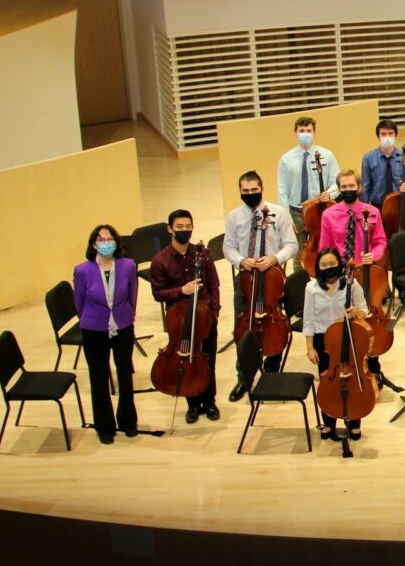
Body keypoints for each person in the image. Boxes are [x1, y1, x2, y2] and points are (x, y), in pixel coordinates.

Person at [224, 170, 298, 402]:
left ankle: (272, 370)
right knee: (244, 328)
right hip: (246, 277)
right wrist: (242, 261)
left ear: (262, 188)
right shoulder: (234, 217)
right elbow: (228, 247)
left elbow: (292, 245)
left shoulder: (279, 213)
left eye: (254, 190)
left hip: (272, 277)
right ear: (240, 191)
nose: (250, 194)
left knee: (273, 323)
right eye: (245, 191)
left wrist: (274, 259)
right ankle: (244, 377)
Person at [318, 169, 392, 389]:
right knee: (343, 321)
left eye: (352, 186)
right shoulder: (329, 215)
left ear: (359, 187)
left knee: (368, 316)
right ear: (339, 188)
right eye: (344, 187)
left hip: (367, 272)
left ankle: (374, 366)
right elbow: (325, 247)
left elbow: (380, 242)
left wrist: (374, 255)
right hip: (342, 274)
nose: (348, 190)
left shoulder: (372, 212)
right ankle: (347, 366)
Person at [150, 210, 222, 425]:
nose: (184, 230)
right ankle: (191, 404)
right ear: (170, 229)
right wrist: (182, 290)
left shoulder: (202, 253)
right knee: (185, 360)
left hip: (205, 317)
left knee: (208, 360)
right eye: (179, 227)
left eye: (188, 226)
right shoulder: (160, 260)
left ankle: (209, 402)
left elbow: (214, 284)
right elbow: (158, 294)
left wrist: (214, 312)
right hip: (180, 320)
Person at [72, 224, 139, 444]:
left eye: (109, 239)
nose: (105, 243)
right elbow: (79, 303)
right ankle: (104, 427)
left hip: (123, 325)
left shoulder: (128, 265)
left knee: (125, 375)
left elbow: (132, 296)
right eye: (101, 239)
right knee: (98, 377)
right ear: (93, 244)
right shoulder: (82, 270)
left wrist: (126, 316)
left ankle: (128, 422)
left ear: (116, 243)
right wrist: (92, 321)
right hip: (94, 329)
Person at [303, 247, 370, 441]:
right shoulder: (311, 288)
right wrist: (310, 348)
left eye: (332, 264)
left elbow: (365, 310)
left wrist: (356, 312)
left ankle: (354, 421)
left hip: (348, 336)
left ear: (339, 265)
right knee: (328, 382)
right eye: (323, 265)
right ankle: (329, 422)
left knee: (352, 380)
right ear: (317, 267)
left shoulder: (352, 283)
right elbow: (308, 320)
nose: (328, 268)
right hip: (324, 340)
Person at [277, 116, 339, 273]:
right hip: (296, 212)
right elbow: (282, 190)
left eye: (308, 131)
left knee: (324, 250)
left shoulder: (327, 155)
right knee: (298, 254)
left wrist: (329, 194)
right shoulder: (286, 159)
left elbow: (336, 182)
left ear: (314, 132)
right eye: (302, 131)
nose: (305, 134)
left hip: (319, 211)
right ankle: (300, 289)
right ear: (295, 133)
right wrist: (287, 217)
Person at [360, 118, 405, 207]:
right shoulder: (368, 158)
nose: (387, 137)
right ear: (378, 136)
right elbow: (365, 186)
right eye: (383, 134)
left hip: (400, 203)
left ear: (395, 135)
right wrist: (365, 208)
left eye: (390, 133)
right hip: (377, 204)